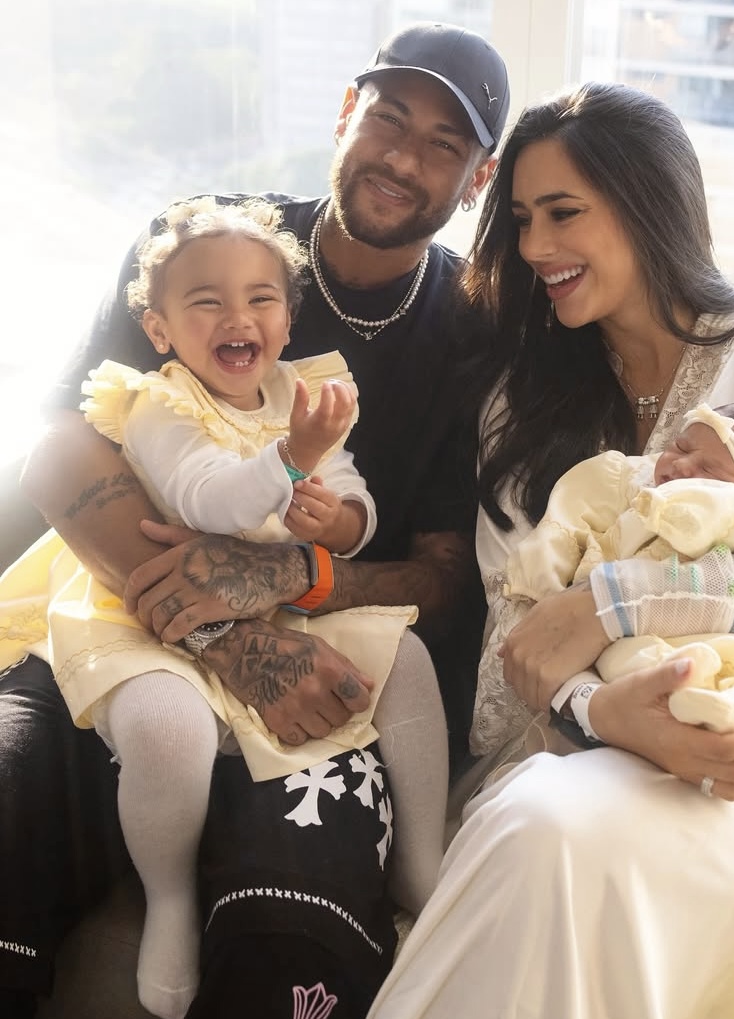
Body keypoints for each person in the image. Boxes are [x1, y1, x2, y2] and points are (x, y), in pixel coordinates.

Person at [367, 82, 734, 1018]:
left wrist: (609, 604)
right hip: (590, 733)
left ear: (649, 204)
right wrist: (605, 712)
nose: (535, 247)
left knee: (551, 829)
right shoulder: (522, 404)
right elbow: (512, 652)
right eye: (521, 220)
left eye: (564, 213)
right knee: (541, 819)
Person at [0, 21, 509, 1019]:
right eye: (388, 117)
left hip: (330, 670)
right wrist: (230, 637)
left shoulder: (472, 331)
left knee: (289, 942)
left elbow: (449, 576)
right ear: (345, 113)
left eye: (444, 142)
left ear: (478, 177)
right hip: (116, 619)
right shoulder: (203, 247)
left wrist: (296, 579)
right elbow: (61, 448)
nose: (403, 157)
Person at [472, 399, 734, 769]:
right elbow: (562, 527)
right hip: (602, 626)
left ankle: (724, 709)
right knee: (629, 663)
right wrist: (546, 591)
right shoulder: (627, 481)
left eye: (710, 472)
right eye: (681, 447)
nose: (683, 466)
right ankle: (676, 707)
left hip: (694, 623)